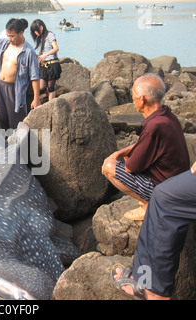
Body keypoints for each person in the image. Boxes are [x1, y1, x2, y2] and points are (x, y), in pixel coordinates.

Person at [101, 73, 189, 221]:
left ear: (142, 99)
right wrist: (120, 152)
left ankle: (150, 205)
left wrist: (114, 158)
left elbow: (130, 167)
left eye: (134, 96)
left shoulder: (154, 126)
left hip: (165, 191)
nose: (133, 100)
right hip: (177, 184)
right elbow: (145, 145)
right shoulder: (167, 116)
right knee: (123, 156)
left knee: (109, 167)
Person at [111, 160, 196, 300]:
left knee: (164, 198)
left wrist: (118, 154)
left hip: (157, 182)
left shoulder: (153, 136)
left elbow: (132, 165)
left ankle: (152, 289)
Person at [30, 19, 62, 102]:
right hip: (44, 65)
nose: (35, 33)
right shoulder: (41, 38)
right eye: (34, 32)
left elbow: (56, 48)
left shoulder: (50, 35)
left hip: (52, 64)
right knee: (41, 86)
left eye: (36, 31)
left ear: (41, 27)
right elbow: (42, 49)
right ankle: (46, 94)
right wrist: (39, 59)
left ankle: (51, 105)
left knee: (51, 86)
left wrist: (46, 55)